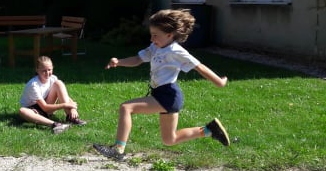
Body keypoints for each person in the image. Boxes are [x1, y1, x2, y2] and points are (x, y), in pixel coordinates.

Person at [93, 9, 229, 161]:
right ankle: (210, 130)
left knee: (126, 107)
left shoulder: (176, 51)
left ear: (169, 35)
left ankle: (118, 150)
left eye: (155, 35)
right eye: (151, 34)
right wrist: (119, 62)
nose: (152, 38)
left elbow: (199, 66)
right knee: (170, 139)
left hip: (168, 95)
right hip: (162, 94)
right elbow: (138, 59)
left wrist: (219, 81)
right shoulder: (155, 47)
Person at [19, 55, 87, 134]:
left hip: (47, 105)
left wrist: (72, 108)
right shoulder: (33, 85)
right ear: (37, 70)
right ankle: (55, 124)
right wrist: (65, 105)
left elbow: (65, 96)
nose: (47, 73)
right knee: (22, 111)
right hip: (34, 110)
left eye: (49, 70)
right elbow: (45, 108)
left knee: (59, 83)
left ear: (52, 68)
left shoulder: (53, 78)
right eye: (44, 71)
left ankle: (71, 117)